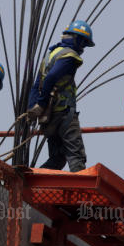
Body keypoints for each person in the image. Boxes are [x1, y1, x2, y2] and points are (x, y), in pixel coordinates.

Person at [27, 20, 94, 172]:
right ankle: (81, 192)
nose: (83, 48)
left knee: (57, 158)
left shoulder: (50, 55)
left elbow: (36, 85)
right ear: (78, 39)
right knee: (76, 156)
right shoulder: (70, 56)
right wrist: (42, 104)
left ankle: (38, 185)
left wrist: (33, 108)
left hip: (49, 118)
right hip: (64, 115)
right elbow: (50, 78)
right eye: (83, 43)